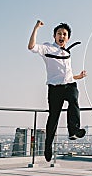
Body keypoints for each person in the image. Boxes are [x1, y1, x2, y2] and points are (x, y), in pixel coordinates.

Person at [28, 20, 87, 162]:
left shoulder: (66, 52)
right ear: (54, 36)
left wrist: (78, 76)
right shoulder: (47, 48)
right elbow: (31, 47)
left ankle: (73, 130)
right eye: (59, 33)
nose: (62, 36)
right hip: (55, 89)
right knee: (53, 117)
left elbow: (66, 73)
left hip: (70, 84)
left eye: (64, 34)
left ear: (68, 38)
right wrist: (36, 28)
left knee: (74, 100)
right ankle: (47, 146)